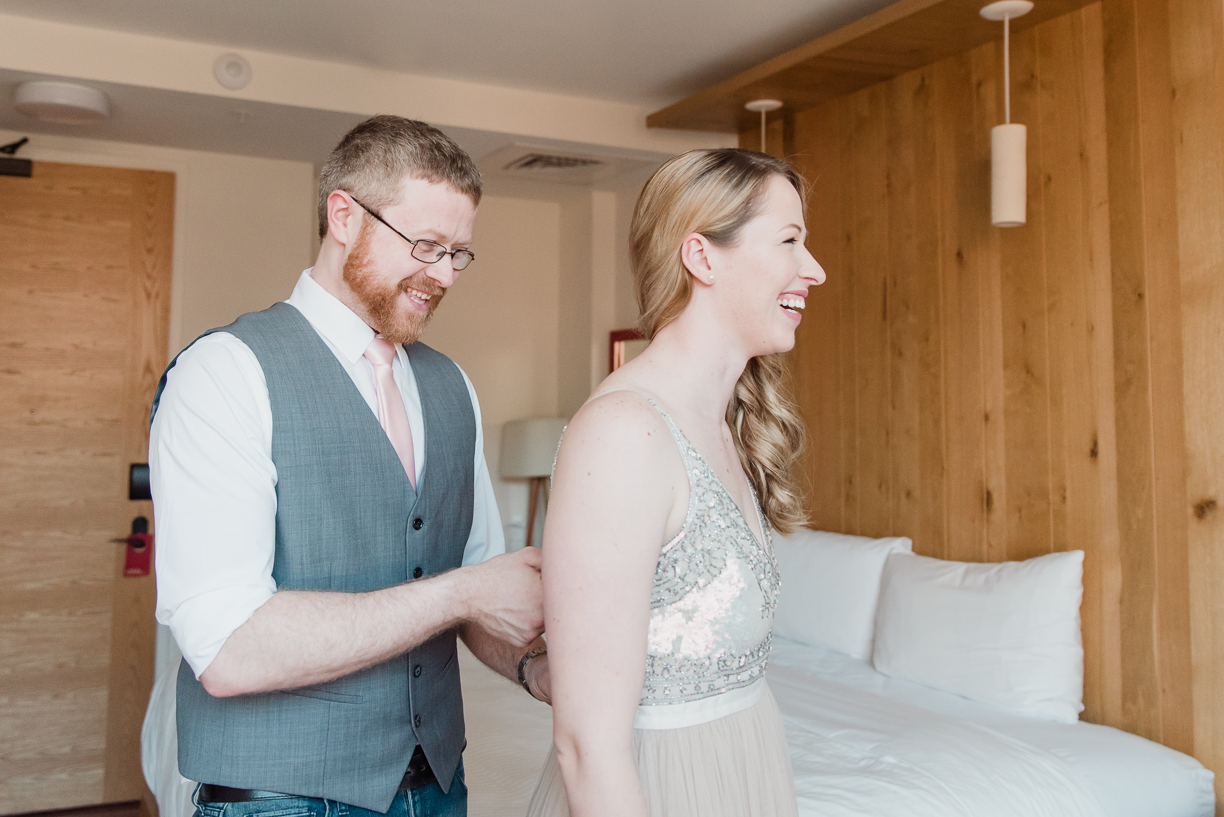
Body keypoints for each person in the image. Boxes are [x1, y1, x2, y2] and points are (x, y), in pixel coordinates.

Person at [149, 115, 551, 817]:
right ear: (344, 216)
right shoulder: (224, 373)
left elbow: (478, 589)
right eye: (426, 246)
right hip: (279, 799)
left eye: (458, 253)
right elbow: (228, 648)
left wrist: (534, 668)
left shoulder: (453, 386)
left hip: (438, 789)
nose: (443, 275)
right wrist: (463, 593)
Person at [526, 148, 824, 817]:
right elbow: (587, 745)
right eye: (789, 241)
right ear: (702, 257)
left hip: (742, 774)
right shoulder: (624, 433)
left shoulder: (723, 425)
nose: (815, 269)